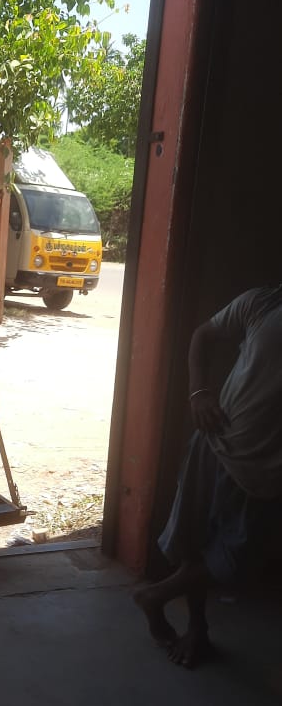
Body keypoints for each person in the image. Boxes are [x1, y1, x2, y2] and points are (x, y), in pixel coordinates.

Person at [133, 284, 282, 668]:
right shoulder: (264, 302)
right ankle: (197, 628)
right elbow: (203, 334)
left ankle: (155, 596)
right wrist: (198, 392)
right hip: (214, 440)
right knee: (194, 542)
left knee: (235, 561)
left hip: (264, 468)